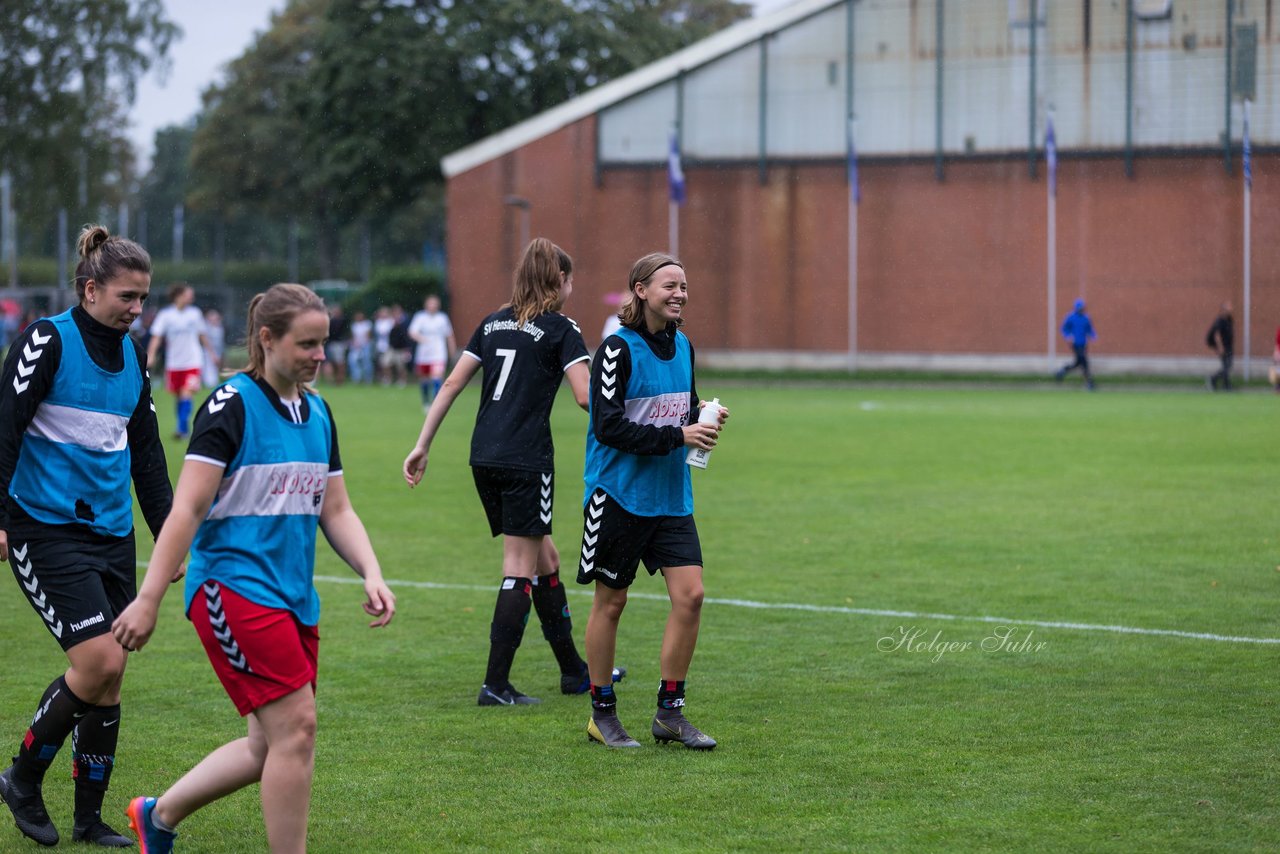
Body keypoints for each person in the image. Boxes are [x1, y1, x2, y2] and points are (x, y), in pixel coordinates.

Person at [111, 283, 396, 854]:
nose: (320, 356)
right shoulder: (231, 406)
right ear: (267, 339)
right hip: (231, 590)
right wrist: (148, 598)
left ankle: (157, 816)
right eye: (307, 344)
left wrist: (371, 570)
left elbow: (335, 508)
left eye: (324, 343)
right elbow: (187, 508)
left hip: (293, 599)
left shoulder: (318, 411)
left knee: (269, 745)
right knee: (297, 728)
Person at [0, 225, 173, 847]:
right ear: (91, 287)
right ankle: (20, 777)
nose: (137, 308)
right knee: (98, 659)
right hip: (43, 531)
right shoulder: (47, 341)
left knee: (112, 673)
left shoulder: (134, 355)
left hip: (111, 534)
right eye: (127, 296)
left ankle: (87, 819)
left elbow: (147, 456)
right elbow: (5, 426)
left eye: (143, 298)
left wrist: (170, 535)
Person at [403, 238, 621, 706]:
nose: (571, 286)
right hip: (526, 459)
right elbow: (586, 396)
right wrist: (634, 418)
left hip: (484, 456)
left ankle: (573, 672)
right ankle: (495, 685)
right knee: (519, 567)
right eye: (569, 278)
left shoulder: (493, 322)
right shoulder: (562, 327)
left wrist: (422, 445)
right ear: (558, 280)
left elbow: (452, 382)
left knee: (547, 561)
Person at [576, 252, 727, 750]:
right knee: (611, 602)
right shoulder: (616, 349)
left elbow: (683, 407)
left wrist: (704, 416)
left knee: (691, 596)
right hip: (618, 495)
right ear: (640, 290)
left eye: (684, 286)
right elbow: (608, 426)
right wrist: (679, 435)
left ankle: (670, 712)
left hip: (670, 498)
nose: (680, 293)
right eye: (669, 285)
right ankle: (602, 713)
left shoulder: (683, 344)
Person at [147, 284, 216, 440]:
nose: (191, 297)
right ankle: (182, 426)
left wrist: (212, 353)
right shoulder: (166, 315)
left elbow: (202, 335)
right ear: (178, 296)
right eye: (188, 294)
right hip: (174, 363)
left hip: (193, 361)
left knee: (186, 393)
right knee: (179, 396)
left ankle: (181, 428)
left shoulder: (195, 314)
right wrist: (151, 355)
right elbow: (156, 336)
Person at [408, 295, 456, 410]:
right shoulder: (420, 317)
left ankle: (436, 404)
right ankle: (425, 402)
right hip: (424, 353)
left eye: (434, 303)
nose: (432, 306)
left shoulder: (442, 318)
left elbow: (449, 335)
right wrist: (422, 339)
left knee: (436, 377)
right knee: (424, 379)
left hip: (438, 352)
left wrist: (452, 350)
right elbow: (412, 332)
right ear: (426, 304)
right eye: (430, 303)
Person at [1054, 298, 1096, 390]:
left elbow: (1089, 329)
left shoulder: (1086, 318)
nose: (1081, 310)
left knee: (1078, 363)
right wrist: (1068, 336)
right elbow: (1064, 329)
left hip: (1083, 343)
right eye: (1079, 308)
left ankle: (1063, 371)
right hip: (1075, 344)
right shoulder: (1071, 317)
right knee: (1084, 361)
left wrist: (1093, 336)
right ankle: (1089, 383)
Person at [1206, 301, 1234, 391]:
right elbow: (1216, 335)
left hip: (1229, 346)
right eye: (1228, 307)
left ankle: (1225, 385)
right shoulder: (1220, 321)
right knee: (1227, 366)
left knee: (1227, 366)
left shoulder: (1229, 319)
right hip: (1223, 347)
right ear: (1223, 310)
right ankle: (1214, 379)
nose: (1230, 309)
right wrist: (1220, 347)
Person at [323, 304, 350, 386]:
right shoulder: (340, 321)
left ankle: (338, 380)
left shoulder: (335, 321)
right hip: (332, 344)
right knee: (333, 363)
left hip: (336, 344)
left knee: (338, 363)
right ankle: (336, 381)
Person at [347, 310, 374, 384]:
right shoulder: (354, 325)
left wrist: (362, 343)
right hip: (356, 345)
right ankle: (356, 378)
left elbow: (368, 336)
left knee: (367, 362)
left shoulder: (367, 324)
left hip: (365, 345)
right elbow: (353, 336)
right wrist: (355, 343)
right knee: (353, 361)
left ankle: (368, 379)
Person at [201, 308, 225, 389]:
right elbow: (207, 343)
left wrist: (220, 355)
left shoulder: (220, 328)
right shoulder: (207, 328)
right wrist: (212, 355)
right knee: (209, 375)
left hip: (217, 353)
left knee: (215, 373)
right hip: (208, 353)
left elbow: (220, 344)